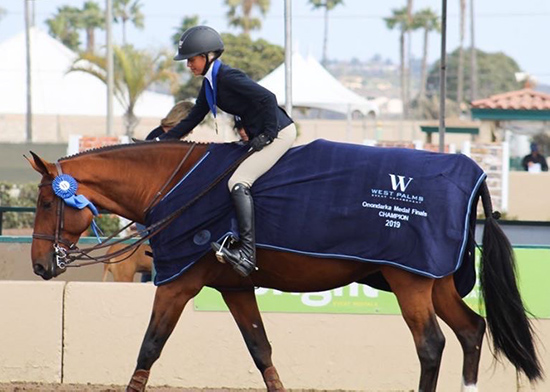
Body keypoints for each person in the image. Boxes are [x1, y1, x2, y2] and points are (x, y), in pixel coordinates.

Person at [157, 25, 297, 277]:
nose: (188, 65)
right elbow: (191, 120)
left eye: (191, 59)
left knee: (238, 181)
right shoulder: (209, 85)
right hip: (260, 136)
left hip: (279, 133)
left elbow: (267, 98)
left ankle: (247, 253)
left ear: (208, 56)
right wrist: (158, 142)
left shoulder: (228, 77)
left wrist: (267, 134)